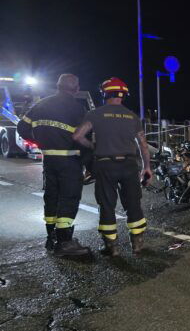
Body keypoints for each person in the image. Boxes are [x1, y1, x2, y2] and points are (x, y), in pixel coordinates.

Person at [72, 77, 152, 256]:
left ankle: (112, 247)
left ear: (105, 94)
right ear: (123, 95)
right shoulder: (132, 116)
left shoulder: (95, 114)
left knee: (107, 205)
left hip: (105, 165)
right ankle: (138, 244)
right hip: (130, 165)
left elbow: (77, 136)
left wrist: (94, 146)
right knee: (133, 203)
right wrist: (147, 167)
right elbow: (143, 145)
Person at [17, 73, 91, 257]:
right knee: (68, 198)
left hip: (49, 159)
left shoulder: (41, 104)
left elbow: (22, 128)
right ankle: (65, 242)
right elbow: (86, 139)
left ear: (58, 86)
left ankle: (51, 238)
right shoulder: (78, 109)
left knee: (51, 197)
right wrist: (90, 163)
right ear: (75, 89)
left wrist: (41, 140)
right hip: (70, 160)